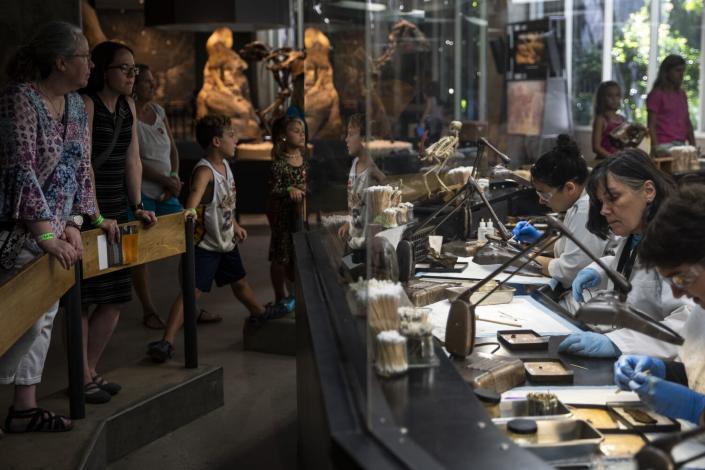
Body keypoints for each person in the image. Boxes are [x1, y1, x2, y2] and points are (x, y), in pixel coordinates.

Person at [0, 21, 97, 432]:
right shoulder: (20, 99)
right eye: (85, 57)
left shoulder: (75, 105)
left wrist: (75, 223)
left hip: (57, 234)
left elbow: (79, 168)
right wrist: (45, 235)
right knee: (12, 320)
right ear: (61, 62)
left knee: (41, 320)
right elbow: (19, 170)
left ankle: (24, 407)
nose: (91, 65)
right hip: (21, 232)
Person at [147, 115, 290, 363]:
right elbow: (195, 195)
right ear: (216, 141)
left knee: (240, 284)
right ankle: (166, 341)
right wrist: (190, 210)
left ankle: (259, 313)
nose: (236, 139)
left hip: (225, 241)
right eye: (231, 135)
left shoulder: (226, 167)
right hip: (206, 245)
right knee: (191, 293)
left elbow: (223, 204)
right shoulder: (205, 171)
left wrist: (234, 225)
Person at [80, 41, 158, 404]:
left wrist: (138, 204)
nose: (133, 75)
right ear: (102, 70)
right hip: (87, 212)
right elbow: (83, 166)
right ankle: (82, 376)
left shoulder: (127, 106)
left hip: (119, 210)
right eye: (125, 69)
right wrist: (95, 215)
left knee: (115, 294)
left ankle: (90, 369)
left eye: (134, 69)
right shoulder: (86, 104)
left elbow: (133, 161)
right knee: (86, 296)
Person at [559, 148, 692, 358]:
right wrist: (600, 270)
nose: (604, 210)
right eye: (602, 202)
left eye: (613, 198)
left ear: (648, 191)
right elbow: (631, 265)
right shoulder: (635, 235)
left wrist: (618, 343)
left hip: (663, 366)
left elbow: (688, 324)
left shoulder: (677, 246)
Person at [614, 185, 705, 424]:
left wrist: (697, 408)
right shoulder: (701, 311)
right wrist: (666, 371)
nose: (676, 291)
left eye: (681, 277)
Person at [511, 135, 610, 290]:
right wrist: (538, 239)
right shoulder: (577, 203)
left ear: (569, 188)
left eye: (544, 194)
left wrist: (521, 259)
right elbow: (568, 249)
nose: (541, 201)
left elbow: (570, 271)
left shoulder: (586, 208)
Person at [129, 63, 187, 329]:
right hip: (143, 193)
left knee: (190, 239)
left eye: (153, 81)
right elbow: (134, 159)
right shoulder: (128, 114)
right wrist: (165, 180)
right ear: (134, 84)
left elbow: (173, 150)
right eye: (147, 82)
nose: (152, 86)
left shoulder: (158, 111)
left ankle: (188, 301)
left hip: (167, 193)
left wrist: (173, 176)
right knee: (139, 253)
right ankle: (148, 309)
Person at [266, 116, 308, 306]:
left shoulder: (305, 161)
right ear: (283, 136)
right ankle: (279, 295)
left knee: (298, 255)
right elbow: (273, 190)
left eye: (303, 130)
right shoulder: (279, 164)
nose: (302, 134)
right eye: (296, 130)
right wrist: (290, 189)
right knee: (280, 257)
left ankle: (297, 294)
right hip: (283, 217)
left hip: (301, 216)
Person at [337, 114, 385, 241]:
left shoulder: (373, 171)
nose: (346, 139)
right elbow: (354, 204)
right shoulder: (354, 164)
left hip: (369, 244)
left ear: (364, 139)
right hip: (354, 239)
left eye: (351, 134)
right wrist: (348, 223)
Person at [646, 54, 695, 157]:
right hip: (664, 145)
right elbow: (651, 125)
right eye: (677, 70)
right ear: (667, 72)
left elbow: (687, 122)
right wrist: (657, 148)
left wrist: (693, 146)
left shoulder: (682, 94)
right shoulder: (657, 94)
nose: (681, 74)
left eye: (683, 71)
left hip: (681, 145)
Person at [591, 81, 625, 159]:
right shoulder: (601, 119)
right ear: (602, 98)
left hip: (620, 162)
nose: (614, 99)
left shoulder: (622, 119)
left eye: (617, 95)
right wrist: (612, 158)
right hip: (604, 163)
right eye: (610, 95)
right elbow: (596, 147)